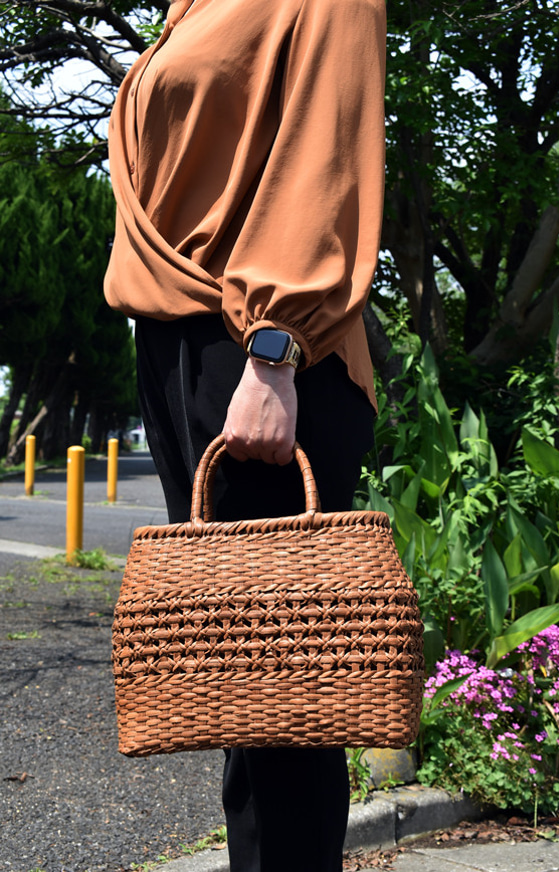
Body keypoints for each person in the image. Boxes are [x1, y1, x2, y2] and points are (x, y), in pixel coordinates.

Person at [104, 0, 387, 868]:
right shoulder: (188, 5)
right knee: (244, 695)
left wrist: (276, 346)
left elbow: (325, 155)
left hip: (260, 351)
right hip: (182, 343)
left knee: (287, 713)